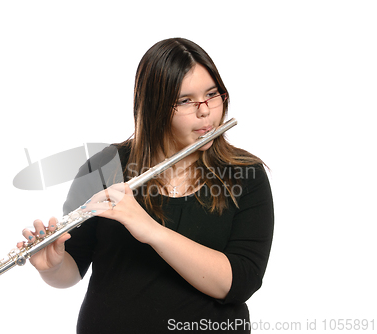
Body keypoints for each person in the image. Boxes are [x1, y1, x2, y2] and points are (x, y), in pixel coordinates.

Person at [18, 38, 274, 333]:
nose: (205, 111)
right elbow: (71, 270)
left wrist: (151, 230)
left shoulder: (245, 174)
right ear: (154, 107)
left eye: (212, 94)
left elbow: (239, 282)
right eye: (186, 100)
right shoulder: (105, 166)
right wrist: (52, 267)